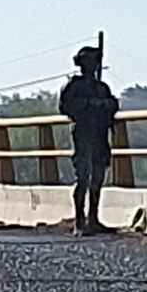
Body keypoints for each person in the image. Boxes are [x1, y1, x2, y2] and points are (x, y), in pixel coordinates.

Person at [59, 46, 119, 237]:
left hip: (100, 134)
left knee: (98, 176)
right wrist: (88, 104)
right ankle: (80, 220)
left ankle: (93, 218)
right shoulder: (73, 86)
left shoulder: (102, 88)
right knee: (83, 176)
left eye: (94, 62)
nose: (91, 66)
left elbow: (112, 105)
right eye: (88, 61)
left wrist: (105, 105)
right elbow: (65, 107)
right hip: (83, 133)